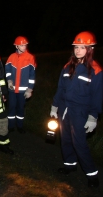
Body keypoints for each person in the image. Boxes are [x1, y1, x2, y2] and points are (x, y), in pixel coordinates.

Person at [50, 31, 102, 188]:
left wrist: (93, 116)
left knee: (79, 143)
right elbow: (60, 88)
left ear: (90, 49)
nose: (78, 50)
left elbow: (97, 96)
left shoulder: (95, 70)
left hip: (80, 112)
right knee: (65, 139)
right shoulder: (67, 67)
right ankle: (70, 165)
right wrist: (54, 106)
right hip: (64, 109)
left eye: (82, 47)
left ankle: (92, 174)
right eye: (76, 47)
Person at [5, 36, 36, 133]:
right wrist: (9, 80)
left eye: (25, 45)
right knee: (11, 107)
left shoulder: (30, 58)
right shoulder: (11, 57)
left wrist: (30, 89)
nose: (24, 47)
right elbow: (8, 71)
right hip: (12, 89)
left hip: (23, 90)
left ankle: (20, 126)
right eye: (22, 45)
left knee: (20, 108)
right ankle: (10, 126)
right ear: (17, 46)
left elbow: (32, 75)